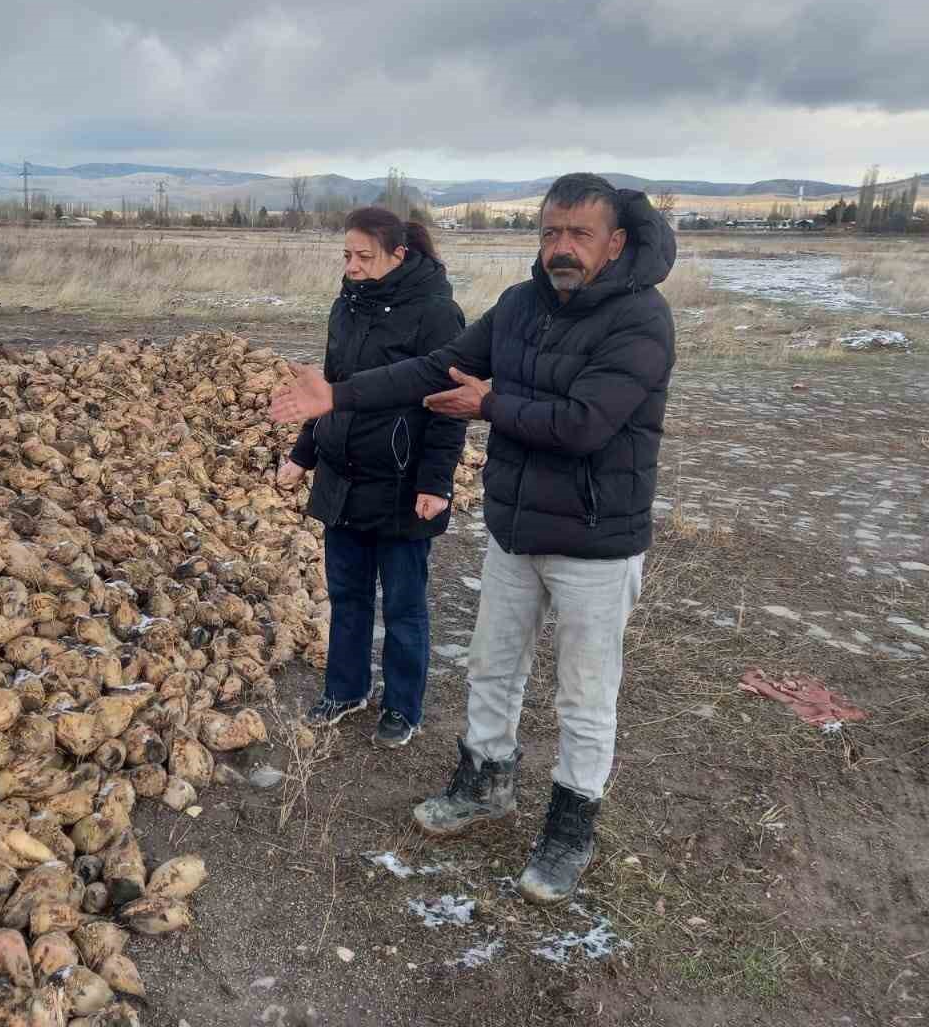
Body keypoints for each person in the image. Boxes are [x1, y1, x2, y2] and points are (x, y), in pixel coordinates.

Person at [270, 174, 675, 904]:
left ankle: (570, 825)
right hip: (516, 529)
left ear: (615, 242)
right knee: (492, 668)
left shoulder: (641, 320)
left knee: (584, 694)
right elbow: (433, 369)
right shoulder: (519, 307)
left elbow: (587, 423)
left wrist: (490, 403)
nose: (560, 247)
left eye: (578, 234)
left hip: (596, 539)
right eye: (550, 231)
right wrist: (339, 395)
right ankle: (484, 782)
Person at [279, 206, 466, 748]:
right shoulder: (347, 305)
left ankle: (403, 706)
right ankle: (345, 689)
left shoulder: (437, 314)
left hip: (402, 481)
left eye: (365, 256)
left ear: (398, 255)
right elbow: (329, 389)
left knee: (404, 603)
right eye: (347, 255)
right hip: (343, 475)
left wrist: (436, 483)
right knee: (347, 593)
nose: (353, 266)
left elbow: (446, 408)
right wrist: (303, 456)